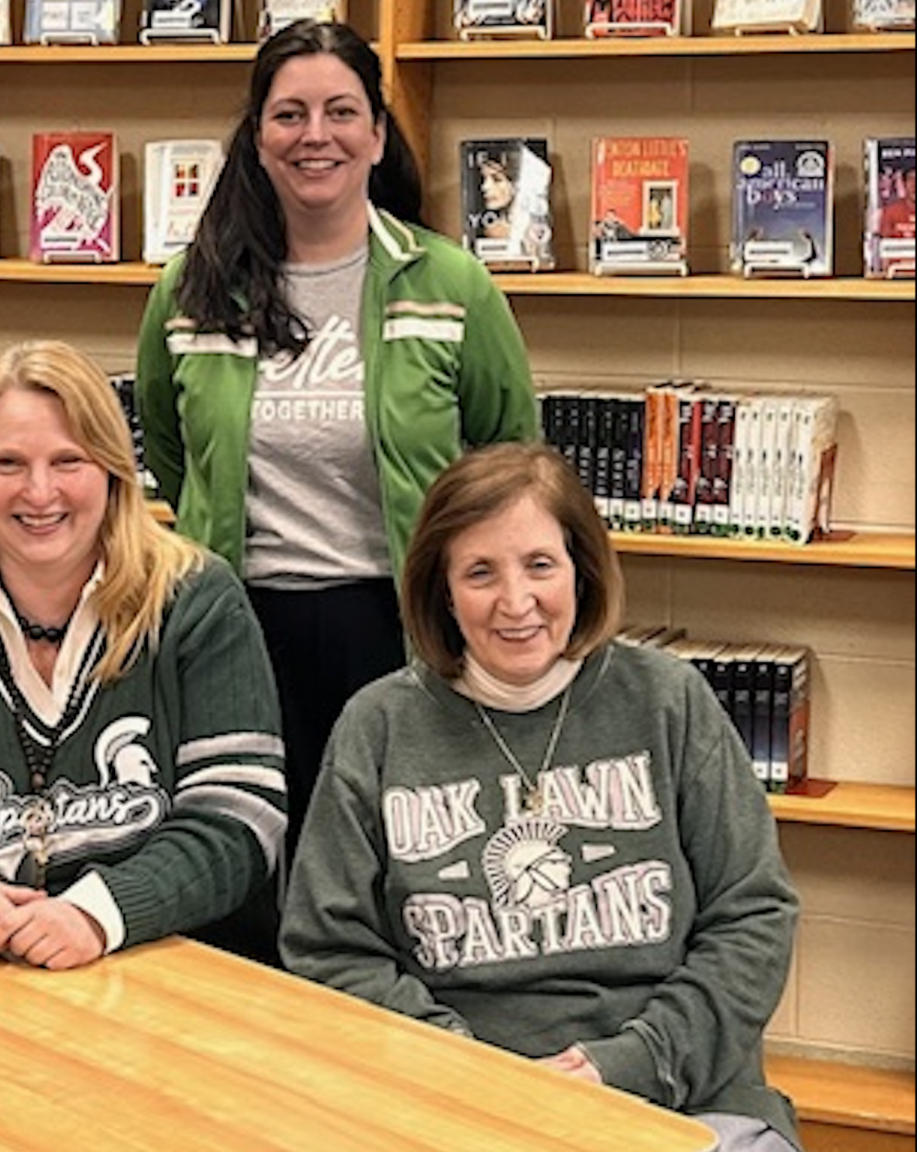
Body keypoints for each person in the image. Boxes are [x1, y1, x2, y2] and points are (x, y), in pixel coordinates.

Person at [282, 442, 801, 1152]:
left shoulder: (667, 701)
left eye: (539, 565)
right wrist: (467, 1072)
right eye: (479, 573)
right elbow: (328, 949)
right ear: (441, 589)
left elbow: (754, 917)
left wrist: (635, 1062)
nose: (515, 602)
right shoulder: (378, 726)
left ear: (582, 572)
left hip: (681, 1094)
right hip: (451, 1098)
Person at [136, 20, 536, 857]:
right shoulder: (191, 287)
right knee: (245, 859)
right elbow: (172, 452)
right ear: (256, 135)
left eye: (341, 112)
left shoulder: (452, 284)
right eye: (288, 115)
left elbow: (511, 467)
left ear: (379, 134)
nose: (315, 136)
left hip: (396, 625)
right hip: (236, 626)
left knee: (393, 861)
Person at [0, 340, 287, 968]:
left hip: (164, 970)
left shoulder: (195, 601)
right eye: (8, 463)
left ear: (114, 468)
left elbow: (241, 815)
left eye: (69, 460)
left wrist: (98, 913)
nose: (39, 493)